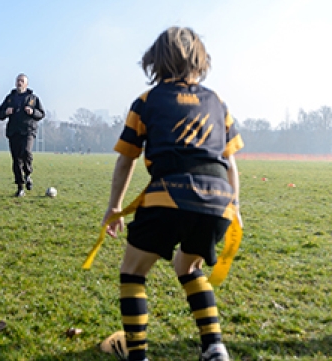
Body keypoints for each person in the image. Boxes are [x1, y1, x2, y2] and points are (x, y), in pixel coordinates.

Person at [101, 27, 243, 361]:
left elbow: (126, 161)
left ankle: (137, 355)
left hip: (168, 196)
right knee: (188, 267)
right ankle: (214, 347)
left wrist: (115, 207)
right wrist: (234, 206)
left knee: (133, 271)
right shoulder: (218, 101)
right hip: (218, 201)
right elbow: (231, 163)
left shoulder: (147, 101)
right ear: (200, 59)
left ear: (156, 60)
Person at [0, 73, 45, 197]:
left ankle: (28, 174)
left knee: (26, 152)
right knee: (16, 160)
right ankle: (20, 187)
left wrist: (32, 111)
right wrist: (6, 112)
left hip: (28, 131)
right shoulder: (10, 98)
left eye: (22, 81)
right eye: (18, 80)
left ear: (26, 84)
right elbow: (0, 114)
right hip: (14, 132)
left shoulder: (33, 98)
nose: (20, 83)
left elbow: (41, 114)